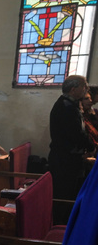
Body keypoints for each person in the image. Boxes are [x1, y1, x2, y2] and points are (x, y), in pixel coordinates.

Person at [49, 74, 91, 220]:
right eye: (84, 86)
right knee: (64, 197)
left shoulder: (70, 104)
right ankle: (60, 229)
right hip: (64, 161)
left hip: (69, 159)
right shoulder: (66, 107)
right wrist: (91, 146)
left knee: (70, 195)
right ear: (74, 89)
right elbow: (75, 134)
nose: (87, 89)